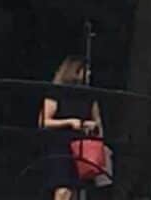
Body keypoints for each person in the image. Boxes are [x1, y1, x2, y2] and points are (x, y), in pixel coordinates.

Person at [40, 56, 103, 200]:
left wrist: (93, 127)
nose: (89, 74)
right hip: (60, 144)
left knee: (75, 189)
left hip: (82, 145)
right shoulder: (56, 92)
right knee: (63, 188)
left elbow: (97, 120)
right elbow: (45, 121)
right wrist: (70, 122)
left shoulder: (89, 95)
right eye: (86, 70)